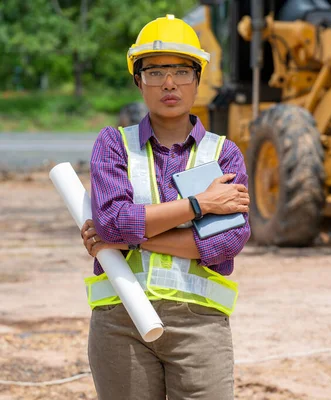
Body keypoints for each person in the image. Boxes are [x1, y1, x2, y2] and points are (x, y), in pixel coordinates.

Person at [79, 14, 251, 400]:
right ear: (138, 80)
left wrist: (130, 237)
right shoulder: (113, 144)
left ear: (198, 78)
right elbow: (111, 223)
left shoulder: (224, 154)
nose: (169, 83)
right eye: (155, 71)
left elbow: (226, 243)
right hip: (120, 322)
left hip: (200, 327)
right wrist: (199, 204)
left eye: (181, 70)